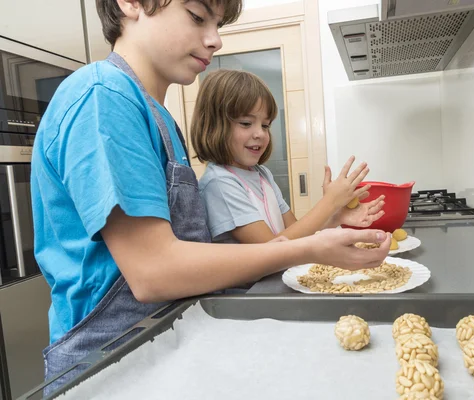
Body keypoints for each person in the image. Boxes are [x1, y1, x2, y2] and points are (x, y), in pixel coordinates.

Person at [30, 0, 391, 392]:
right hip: (109, 364)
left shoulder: (156, 115)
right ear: (131, 4)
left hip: (161, 346)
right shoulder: (103, 98)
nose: (215, 40)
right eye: (198, 17)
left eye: (217, 24)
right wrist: (312, 248)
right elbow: (153, 272)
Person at [192, 69, 386, 244]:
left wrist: (336, 217)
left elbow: (295, 234)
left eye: (265, 125)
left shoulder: (262, 175)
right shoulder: (220, 183)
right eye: (245, 123)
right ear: (214, 126)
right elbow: (271, 251)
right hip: (254, 285)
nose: (260, 133)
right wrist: (330, 202)